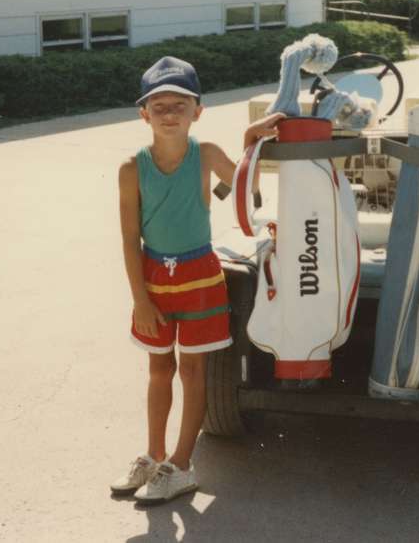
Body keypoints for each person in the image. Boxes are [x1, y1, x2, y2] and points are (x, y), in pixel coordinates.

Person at [110, 56, 282, 504]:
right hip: (154, 279)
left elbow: (246, 192)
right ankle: (153, 453)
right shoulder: (132, 168)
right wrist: (141, 300)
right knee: (158, 369)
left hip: (201, 276)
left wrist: (247, 145)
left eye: (179, 105)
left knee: (193, 369)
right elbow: (130, 240)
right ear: (143, 113)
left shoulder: (205, 155)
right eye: (159, 105)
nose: (169, 113)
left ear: (197, 112)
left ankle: (182, 464)